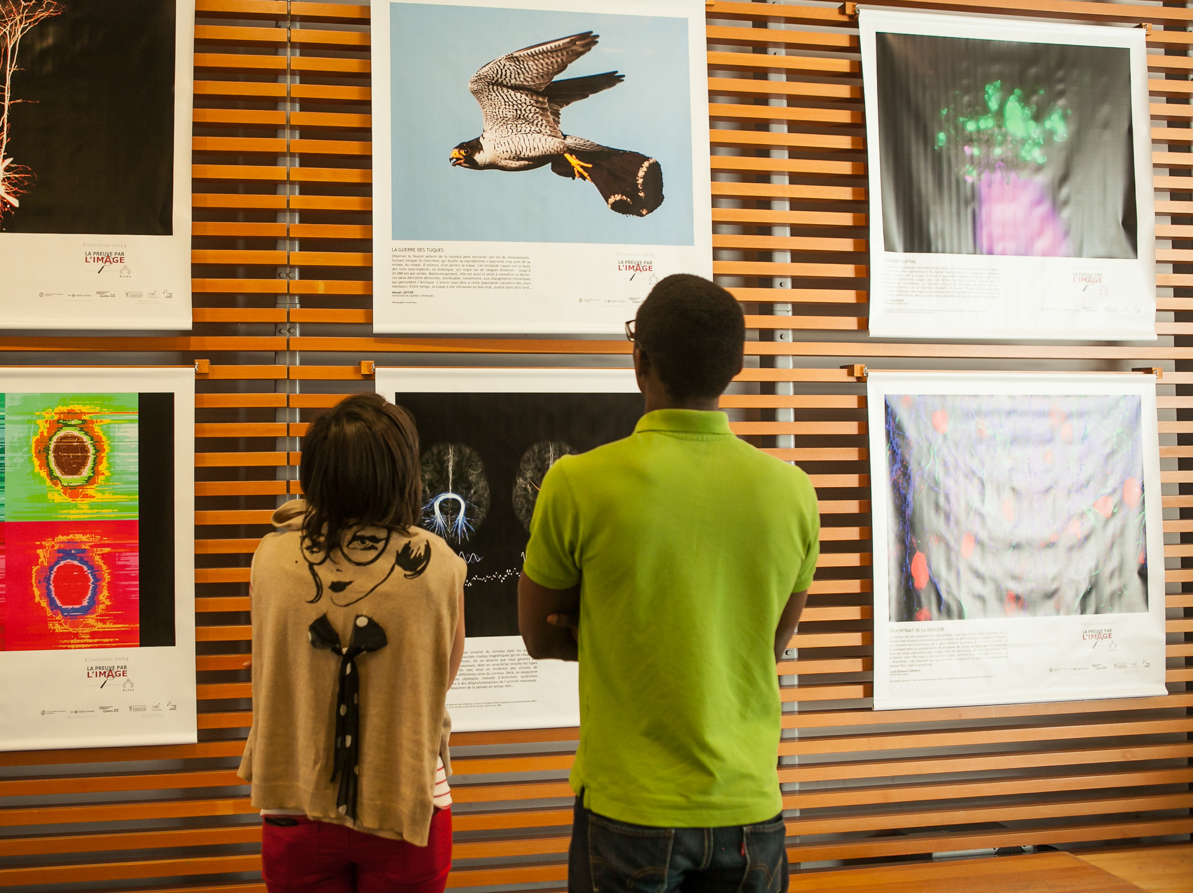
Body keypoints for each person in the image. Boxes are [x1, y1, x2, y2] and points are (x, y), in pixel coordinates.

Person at [518, 273, 818, 893]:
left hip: (631, 808)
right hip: (750, 809)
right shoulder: (793, 492)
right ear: (734, 367)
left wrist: (619, 632)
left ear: (640, 360)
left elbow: (539, 636)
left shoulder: (578, 484)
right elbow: (768, 643)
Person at [238, 392, 467, 893]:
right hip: (408, 797)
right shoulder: (440, 564)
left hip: (294, 794)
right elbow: (441, 675)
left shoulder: (270, 556)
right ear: (401, 470)